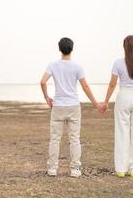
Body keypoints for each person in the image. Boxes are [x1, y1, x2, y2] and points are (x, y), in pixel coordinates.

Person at [40, 37, 104, 177]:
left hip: (58, 106)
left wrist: (46, 97)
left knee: (55, 138)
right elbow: (85, 86)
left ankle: (52, 168)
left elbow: (43, 82)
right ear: (72, 49)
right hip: (73, 106)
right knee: (74, 138)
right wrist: (95, 103)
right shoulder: (77, 66)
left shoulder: (53, 65)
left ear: (59, 49)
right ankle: (75, 169)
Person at [103, 35, 133, 178]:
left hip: (123, 97)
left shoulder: (118, 63)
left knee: (122, 132)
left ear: (124, 47)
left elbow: (112, 84)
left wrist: (106, 101)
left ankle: (121, 169)